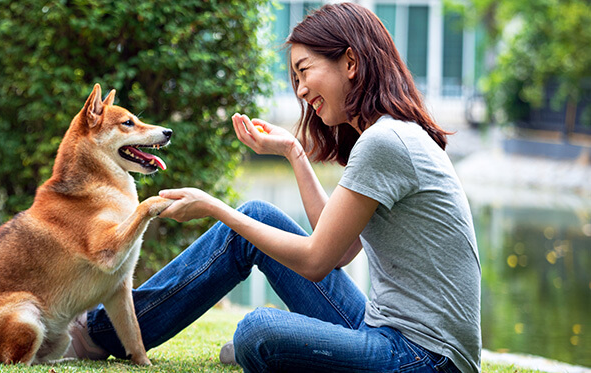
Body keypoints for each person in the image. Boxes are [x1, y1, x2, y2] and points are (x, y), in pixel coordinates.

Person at [63, 2, 481, 372]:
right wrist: (293, 152)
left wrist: (213, 207)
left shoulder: (384, 142)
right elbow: (341, 250)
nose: (300, 91)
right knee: (257, 219)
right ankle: (100, 334)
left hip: (426, 358)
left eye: (304, 71)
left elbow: (317, 260)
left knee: (258, 329)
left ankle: (257, 350)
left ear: (350, 62)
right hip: (384, 331)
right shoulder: (387, 136)